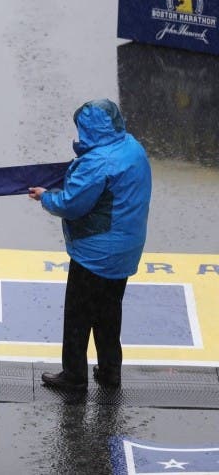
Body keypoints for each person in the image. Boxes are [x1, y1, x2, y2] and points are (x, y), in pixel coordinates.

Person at [29, 99, 152, 392]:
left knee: (78, 316)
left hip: (95, 253)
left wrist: (45, 196)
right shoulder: (133, 148)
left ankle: (74, 376)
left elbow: (71, 204)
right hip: (126, 249)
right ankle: (110, 371)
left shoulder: (97, 163)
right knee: (109, 312)